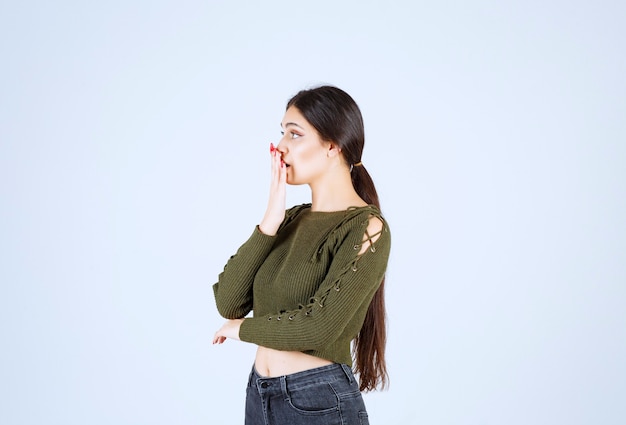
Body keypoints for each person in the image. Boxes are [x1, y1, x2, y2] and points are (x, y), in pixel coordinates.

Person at [212, 85, 391, 425]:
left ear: (332, 146)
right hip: (259, 393)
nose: (280, 147)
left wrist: (243, 330)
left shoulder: (367, 227)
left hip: (317, 400)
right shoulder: (290, 220)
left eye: (294, 135)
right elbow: (229, 301)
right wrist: (270, 220)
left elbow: (319, 325)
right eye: (281, 133)